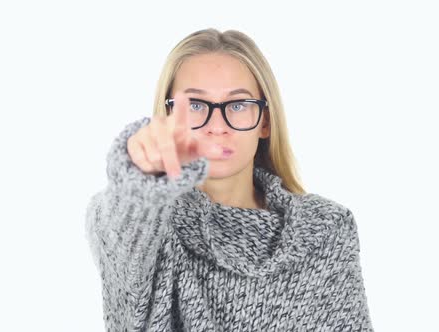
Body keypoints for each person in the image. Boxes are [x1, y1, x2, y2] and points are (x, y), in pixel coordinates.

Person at [85, 28, 374, 331]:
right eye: (196, 105)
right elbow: (121, 241)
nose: (217, 126)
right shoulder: (141, 226)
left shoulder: (326, 229)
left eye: (237, 105)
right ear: (168, 117)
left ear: (264, 120)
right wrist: (139, 177)